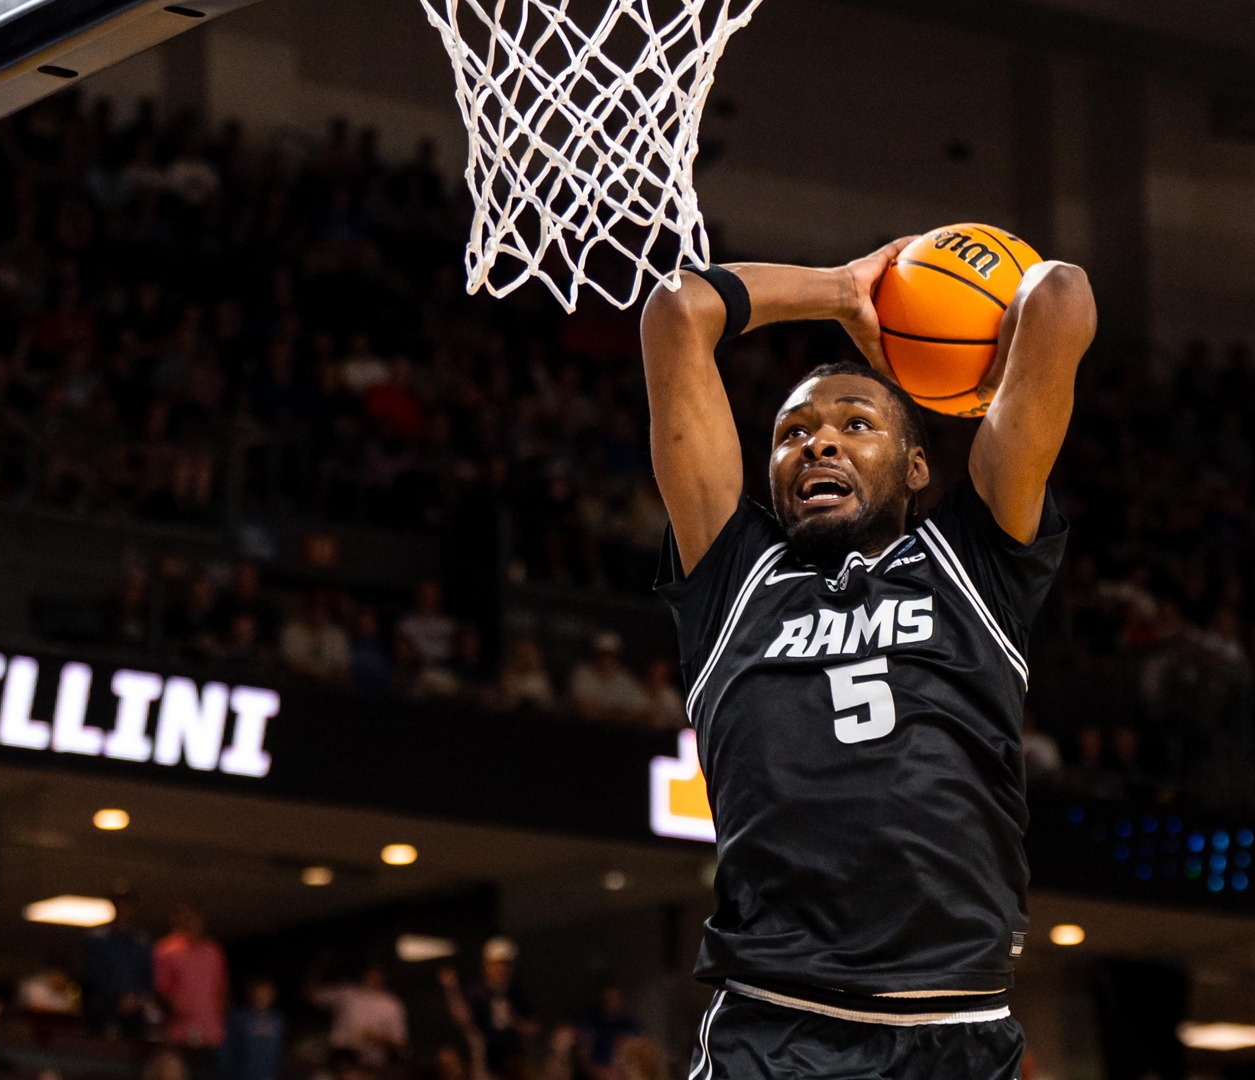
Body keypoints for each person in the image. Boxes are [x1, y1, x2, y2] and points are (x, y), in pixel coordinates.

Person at [640, 242, 1092, 1078]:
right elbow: (677, 310)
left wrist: (968, 354)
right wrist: (843, 292)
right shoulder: (733, 580)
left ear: (917, 466)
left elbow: (1061, 297)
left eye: (856, 424)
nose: (819, 444)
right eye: (794, 432)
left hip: (956, 1028)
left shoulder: (975, 567)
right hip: (777, 1027)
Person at [153, 906, 228, 1057]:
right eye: (187, 918)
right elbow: (158, 990)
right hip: (178, 1034)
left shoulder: (213, 951)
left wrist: (222, 1019)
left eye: (195, 918)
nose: (191, 923)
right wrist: (174, 1008)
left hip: (211, 1034)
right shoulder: (165, 949)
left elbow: (222, 990)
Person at [309, 966, 408, 1068]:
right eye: (369, 975)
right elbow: (312, 994)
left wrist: (379, 1038)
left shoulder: (392, 1004)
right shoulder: (347, 993)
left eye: (376, 975)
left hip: (372, 1061)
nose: (372, 979)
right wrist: (318, 966)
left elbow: (400, 1041)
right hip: (342, 1057)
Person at [84, 898, 154, 1040]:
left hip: (134, 1011)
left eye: (127, 905)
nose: (124, 910)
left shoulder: (140, 940)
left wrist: (138, 999)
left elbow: (148, 975)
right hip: (104, 1008)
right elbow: (95, 973)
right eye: (120, 905)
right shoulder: (99, 938)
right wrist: (115, 999)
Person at [468, 936, 538, 1074]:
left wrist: (516, 1021)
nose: (500, 970)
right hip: (483, 1058)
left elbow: (534, 1027)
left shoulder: (519, 993)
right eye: (496, 964)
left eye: (505, 964)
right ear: (487, 965)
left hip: (515, 1056)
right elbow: (466, 1024)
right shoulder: (476, 993)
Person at [569, 632, 648, 723]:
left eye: (611, 655)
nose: (606, 659)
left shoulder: (625, 678)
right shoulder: (581, 673)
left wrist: (602, 713)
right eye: (603, 654)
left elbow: (637, 711)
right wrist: (616, 714)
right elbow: (583, 710)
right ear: (595, 654)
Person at [221, 978, 286, 1080]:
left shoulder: (278, 1020)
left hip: (269, 1075)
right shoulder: (239, 1018)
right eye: (259, 993)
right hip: (243, 1074)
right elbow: (227, 1049)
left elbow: (279, 1052)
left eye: (266, 993)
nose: (262, 997)